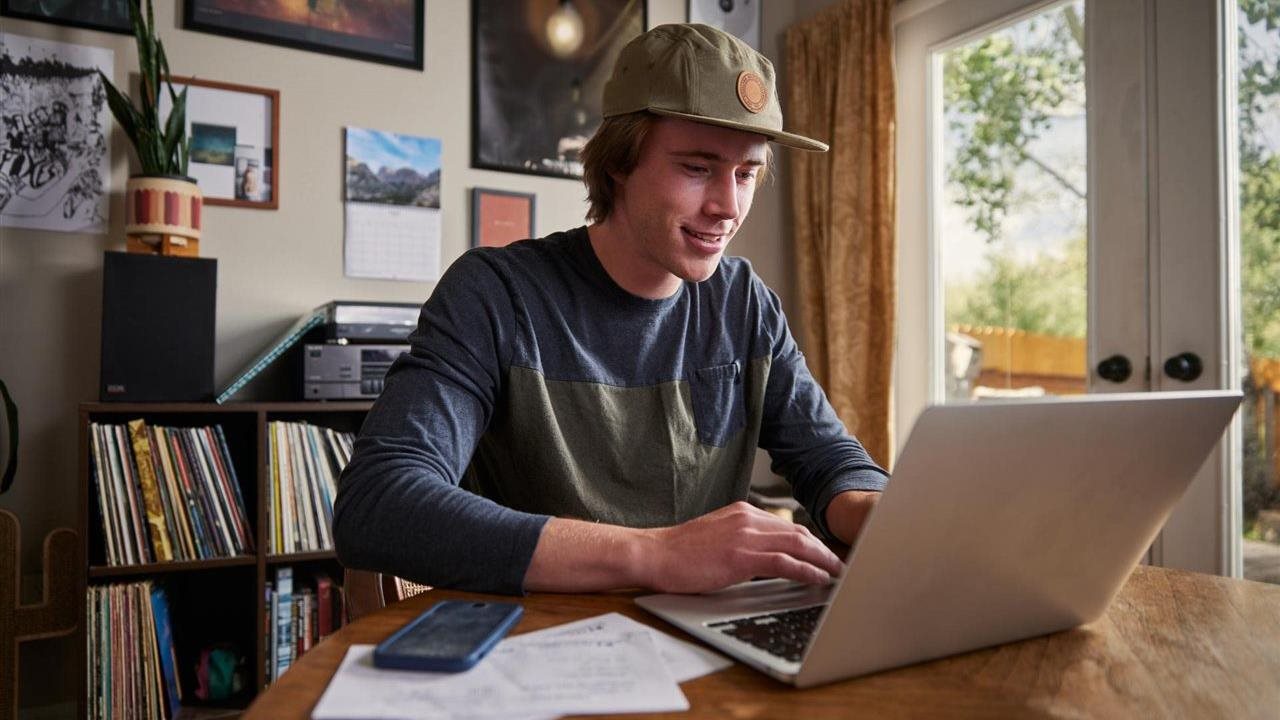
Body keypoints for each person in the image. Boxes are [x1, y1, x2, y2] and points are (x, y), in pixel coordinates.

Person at [334, 23, 888, 596]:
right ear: (619, 161)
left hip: (702, 647)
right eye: (697, 169)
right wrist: (656, 554)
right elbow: (378, 502)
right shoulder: (495, 294)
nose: (728, 206)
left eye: (746, 173)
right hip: (531, 652)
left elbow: (829, 460)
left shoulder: (744, 303)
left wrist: (879, 511)